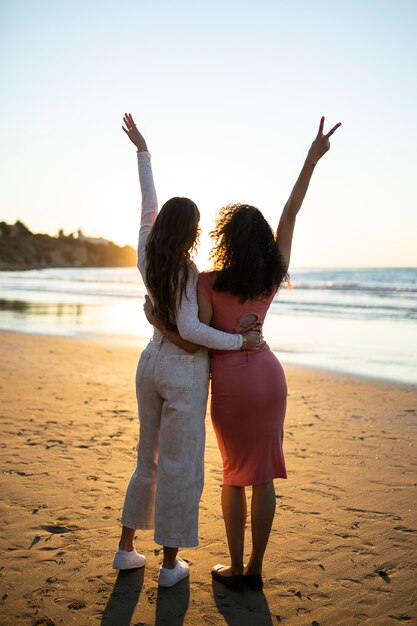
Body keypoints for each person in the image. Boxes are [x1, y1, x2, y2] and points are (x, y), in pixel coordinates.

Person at [112, 114, 260, 588]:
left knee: (146, 459)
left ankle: (126, 550)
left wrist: (143, 151)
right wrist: (241, 341)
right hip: (181, 371)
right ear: (191, 230)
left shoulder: (146, 252)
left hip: (149, 361)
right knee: (181, 465)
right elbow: (193, 329)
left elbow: (146, 203)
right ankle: (170, 566)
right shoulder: (184, 268)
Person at [196, 116, 342, 590]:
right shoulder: (271, 275)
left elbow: (195, 331)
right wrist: (311, 159)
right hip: (270, 378)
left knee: (234, 475)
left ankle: (235, 568)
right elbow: (291, 213)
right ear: (260, 241)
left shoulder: (208, 282)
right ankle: (256, 569)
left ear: (226, 239)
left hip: (233, 386)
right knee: (263, 477)